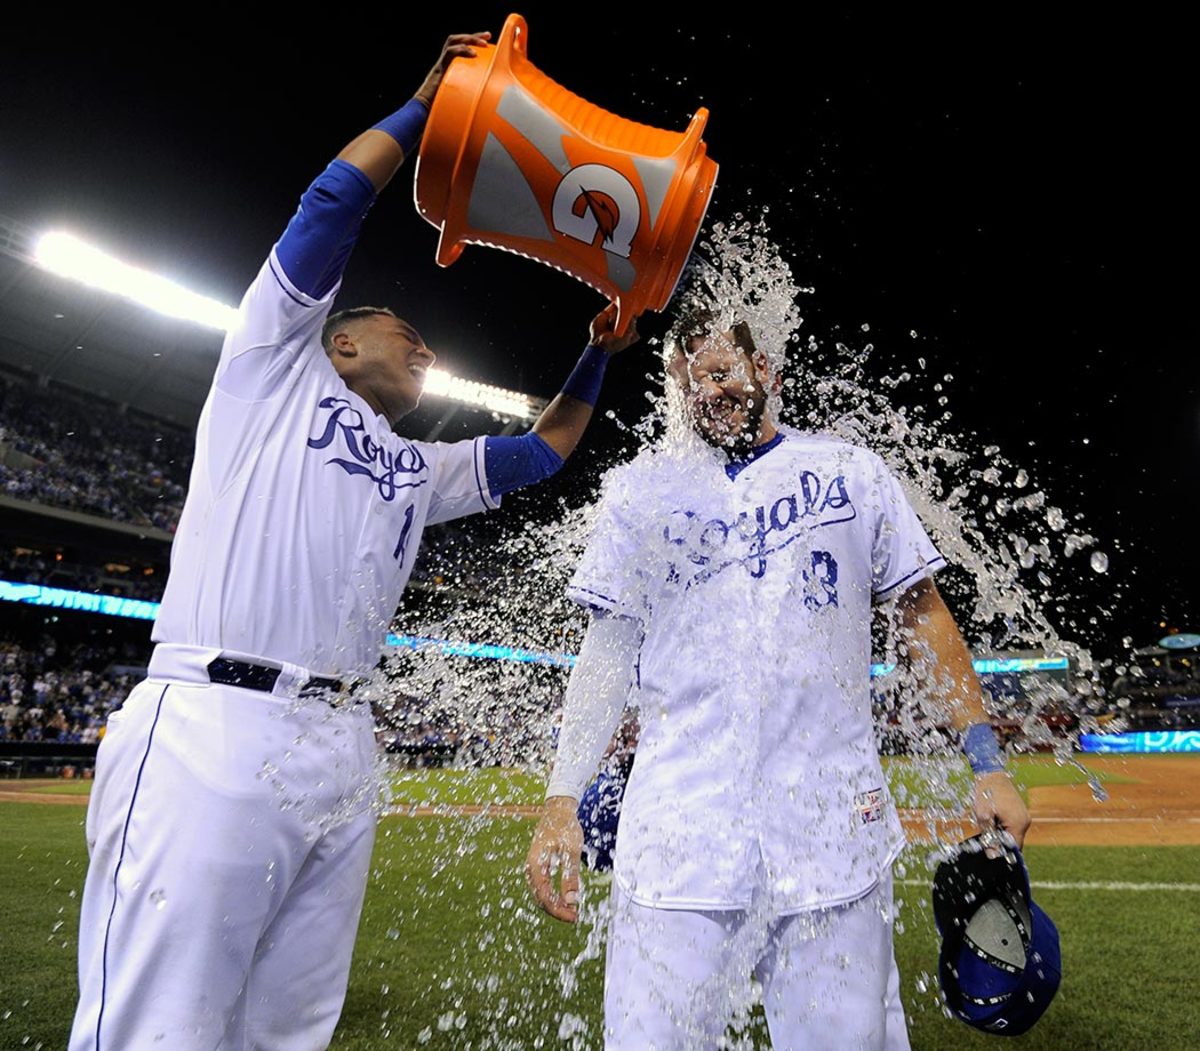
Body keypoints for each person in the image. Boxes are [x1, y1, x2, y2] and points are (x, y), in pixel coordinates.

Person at [70, 30, 640, 1051]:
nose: (422, 348)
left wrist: (595, 355)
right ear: (339, 340)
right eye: (402, 335)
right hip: (216, 720)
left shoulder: (416, 468)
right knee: (159, 1023)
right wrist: (426, 109)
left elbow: (543, 452)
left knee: (289, 1027)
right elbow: (331, 204)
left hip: (341, 744)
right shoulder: (273, 368)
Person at [526, 306, 1030, 1049]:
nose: (707, 391)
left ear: (765, 370)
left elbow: (923, 616)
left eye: (721, 370)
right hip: (678, 836)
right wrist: (562, 798)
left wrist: (986, 762)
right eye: (689, 380)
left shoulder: (849, 471)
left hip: (831, 832)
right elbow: (606, 652)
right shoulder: (641, 491)